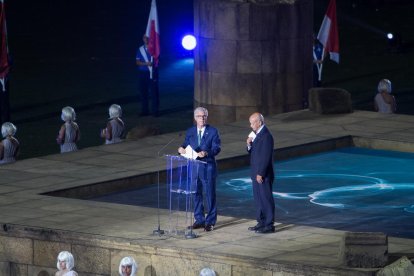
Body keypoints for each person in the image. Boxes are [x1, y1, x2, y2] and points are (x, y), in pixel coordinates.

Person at [178, 107, 221, 232]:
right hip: (194, 167)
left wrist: (206, 153)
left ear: (207, 117)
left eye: (204, 116)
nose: (202, 118)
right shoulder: (190, 131)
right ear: (195, 118)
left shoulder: (213, 131)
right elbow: (185, 143)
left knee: (209, 194)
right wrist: (181, 148)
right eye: (199, 116)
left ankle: (210, 221)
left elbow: (217, 148)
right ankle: (200, 219)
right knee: (196, 194)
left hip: (207, 167)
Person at [246, 112, 275, 234]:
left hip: (263, 174)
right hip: (255, 173)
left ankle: (269, 224)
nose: (251, 125)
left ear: (259, 122)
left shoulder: (266, 136)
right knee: (258, 199)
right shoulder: (256, 134)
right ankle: (261, 222)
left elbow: (266, 156)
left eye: (252, 123)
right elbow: (253, 152)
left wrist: (261, 173)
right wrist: (248, 144)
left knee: (266, 198)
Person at [136, 34, 159, 117]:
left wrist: (154, 62)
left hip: (152, 73)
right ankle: (144, 111)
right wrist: (147, 63)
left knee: (154, 93)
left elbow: (157, 60)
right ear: (143, 39)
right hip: (142, 73)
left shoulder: (154, 49)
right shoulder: (140, 49)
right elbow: (137, 62)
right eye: (145, 37)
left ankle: (155, 111)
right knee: (143, 93)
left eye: (147, 38)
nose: (146, 39)